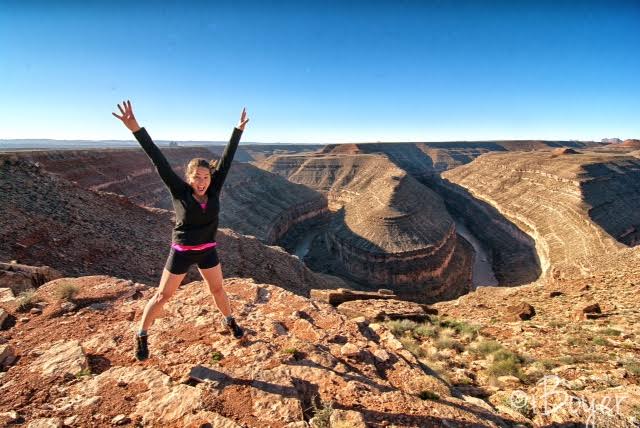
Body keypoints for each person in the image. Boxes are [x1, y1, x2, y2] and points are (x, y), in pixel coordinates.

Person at [112, 100, 249, 361]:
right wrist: (135, 128)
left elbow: (228, 159)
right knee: (163, 295)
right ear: (188, 177)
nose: (201, 182)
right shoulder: (179, 191)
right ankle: (141, 335)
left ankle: (229, 320)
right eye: (196, 177)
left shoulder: (214, 187)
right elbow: (158, 159)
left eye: (206, 177)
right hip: (182, 252)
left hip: (208, 251)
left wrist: (237, 130)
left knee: (218, 290)